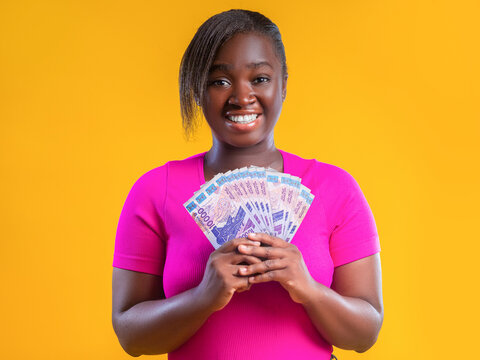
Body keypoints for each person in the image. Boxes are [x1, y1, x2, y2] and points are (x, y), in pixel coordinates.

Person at [112, 9, 383, 360]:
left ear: (283, 84)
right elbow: (132, 338)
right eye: (219, 81)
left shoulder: (336, 189)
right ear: (197, 89)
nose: (242, 96)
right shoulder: (154, 191)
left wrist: (308, 289)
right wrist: (203, 297)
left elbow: (365, 333)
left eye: (260, 78)